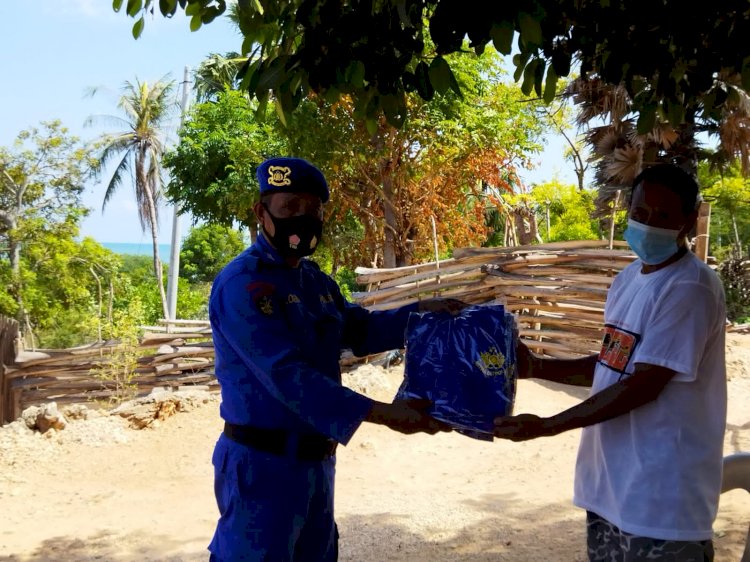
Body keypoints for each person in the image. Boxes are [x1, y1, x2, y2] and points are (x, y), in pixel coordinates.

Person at [207, 156, 462, 562]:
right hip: (263, 467)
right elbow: (289, 376)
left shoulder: (316, 282)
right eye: (290, 207)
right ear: (262, 211)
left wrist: (422, 313)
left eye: (313, 209)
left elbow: (360, 330)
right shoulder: (243, 286)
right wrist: (384, 414)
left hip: (317, 465)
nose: (303, 218)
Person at [494, 163, 726, 561]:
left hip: (661, 501)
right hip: (611, 490)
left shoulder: (690, 287)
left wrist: (549, 426)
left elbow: (644, 385)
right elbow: (612, 365)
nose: (648, 225)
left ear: (689, 221)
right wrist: (537, 367)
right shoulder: (630, 279)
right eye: (640, 214)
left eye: (663, 217)